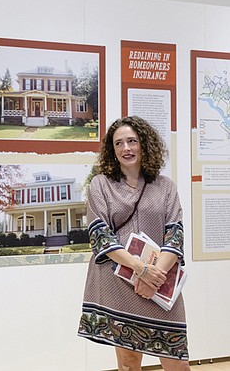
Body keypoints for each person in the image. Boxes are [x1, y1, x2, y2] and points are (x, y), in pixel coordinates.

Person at [77, 116, 191, 371]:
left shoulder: (165, 187)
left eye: (132, 141)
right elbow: (100, 235)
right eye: (118, 143)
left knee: (178, 362)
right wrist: (141, 270)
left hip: (160, 279)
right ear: (112, 150)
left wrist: (154, 277)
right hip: (118, 281)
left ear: (144, 145)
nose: (126, 148)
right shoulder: (100, 185)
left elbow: (175, 234)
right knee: (129, 361)